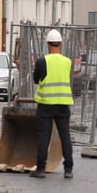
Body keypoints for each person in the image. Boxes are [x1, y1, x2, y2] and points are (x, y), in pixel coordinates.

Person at [30, 29, 74, 179]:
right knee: (65, 136)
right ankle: (68, 169)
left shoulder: (42, 61)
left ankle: (41, 168)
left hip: (46, 103)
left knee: (44, 136)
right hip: (63, 103)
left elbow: (36, 79)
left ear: (47, 44)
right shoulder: (67, 62)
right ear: (61, 44)